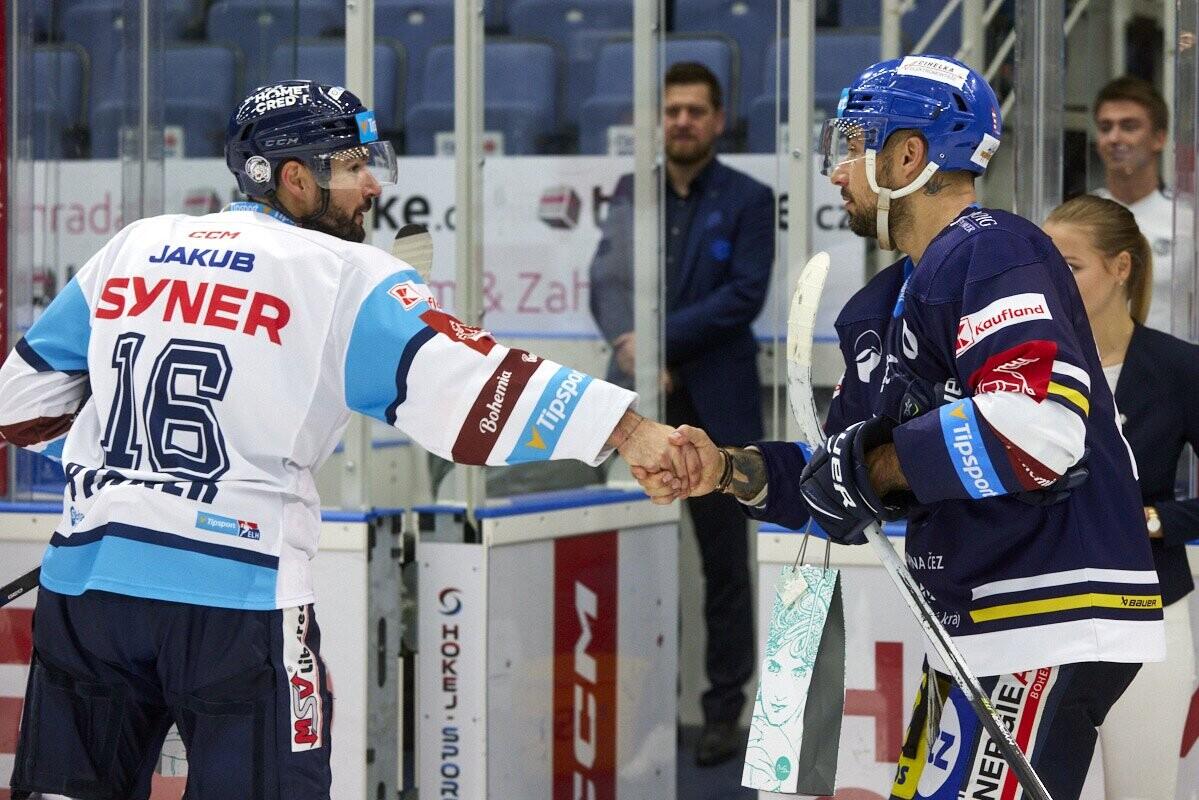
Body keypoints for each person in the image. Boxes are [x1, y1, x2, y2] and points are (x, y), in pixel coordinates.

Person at [0, 80, 697, 799]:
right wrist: (627, 430)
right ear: (295, 178)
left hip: (88, 587)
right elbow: (476, 390)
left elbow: (19, 405)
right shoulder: (341, 274)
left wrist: (126, 469)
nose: (371, 185)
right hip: (237, 598)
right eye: (353, 166)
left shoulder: (134, 246)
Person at [638, 55, 1167, 798]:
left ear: (910, 155)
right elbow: (837, 479)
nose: (836, 172)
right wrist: (724, 468)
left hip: (1043, 611)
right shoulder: (886, 305)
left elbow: (1034, 431)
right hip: (976, 626)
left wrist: (874, 467)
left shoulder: (992, 248)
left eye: (852, 145)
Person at [589, 61, 775, 766]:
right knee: (633, 561)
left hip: (718, 406)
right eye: (672, 110)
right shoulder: (631, 192)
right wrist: (629, 343)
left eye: (696, 110)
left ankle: (723, 710)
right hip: (639, 400)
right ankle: (644, 711)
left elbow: (744, 295)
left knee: (724, 567)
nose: (683, 121)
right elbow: (604, 281)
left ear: (718, 120)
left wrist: (658, 341)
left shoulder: (750, 198)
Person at [1043, 194, 1198, 800]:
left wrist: (1154, 520)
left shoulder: (1178, 367)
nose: (1054, 283)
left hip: (1150, 610)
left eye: (1070, 266)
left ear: (1121, 268)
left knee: (1143, 790)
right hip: (1041, 615)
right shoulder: (1024, 368)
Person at [1092, 76, 1175, 332]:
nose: (1114, 138)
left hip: (1176, 355)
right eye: (1105, 127)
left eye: (1129, 127)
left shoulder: (1186, 219)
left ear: (1159, 138)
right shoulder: (1080, 218)